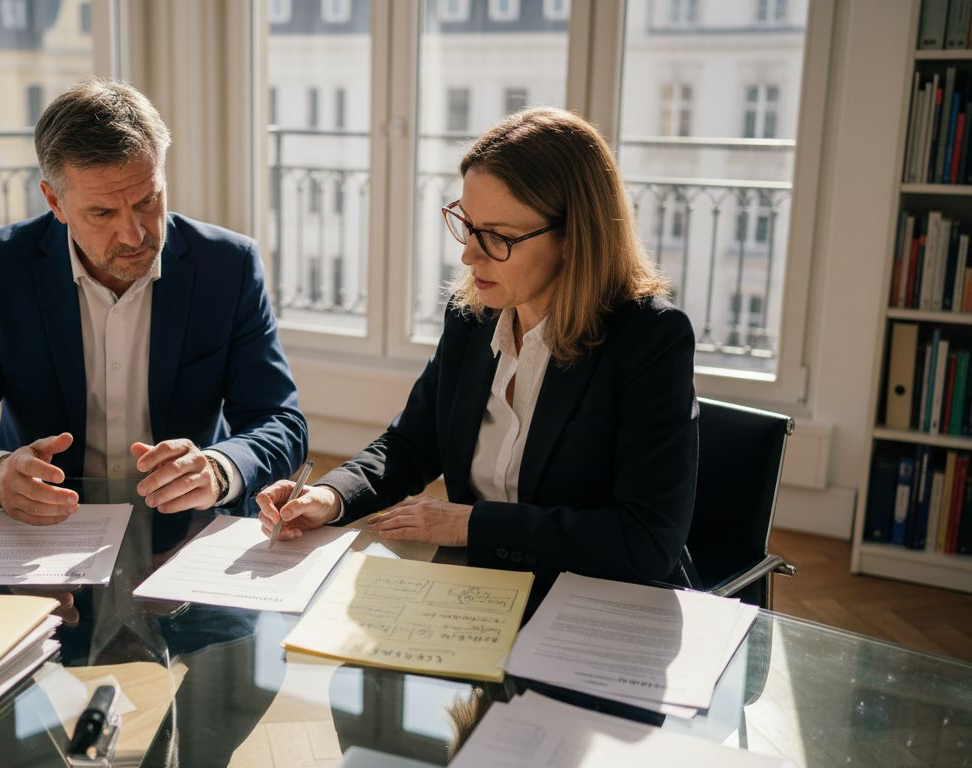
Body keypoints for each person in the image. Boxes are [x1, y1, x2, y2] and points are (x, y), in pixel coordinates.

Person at [257, 107, 698, 590]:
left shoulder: (650, 338)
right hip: (484, 588)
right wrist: (330, 495)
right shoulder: (473, 315)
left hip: (598, 605)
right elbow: (410, 444)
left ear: (575, 238)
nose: (469, 253)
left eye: (498, 237)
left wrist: (469, 524)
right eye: (468, 224)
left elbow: (648, 541)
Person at [0, 78, 307, 522]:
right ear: (54, 201)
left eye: (148, 200)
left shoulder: (228, 265)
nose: (135, 234)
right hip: (41, 529)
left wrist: (217, 469)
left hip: (185, 530)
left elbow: (279, 421)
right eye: (103, 213)